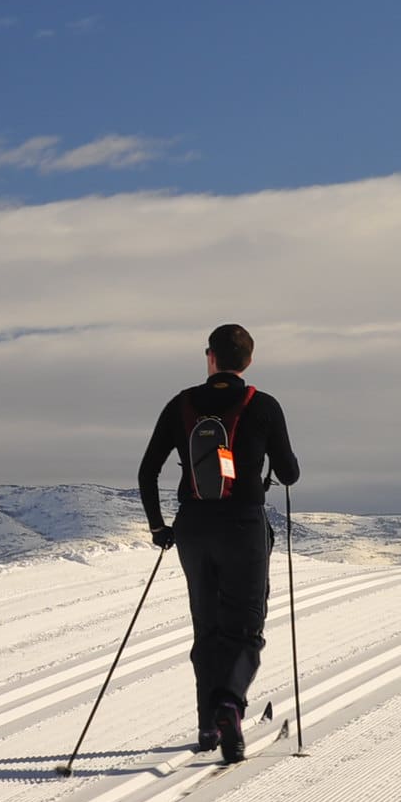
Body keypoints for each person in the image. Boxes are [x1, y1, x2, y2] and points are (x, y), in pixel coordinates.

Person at [137, 324, 300, 762]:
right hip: (243, 526)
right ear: (248, 361)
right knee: (245, 629)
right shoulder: (263, 406)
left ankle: (208, 727)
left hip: (193, 527)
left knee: (205, 627)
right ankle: (230, 703)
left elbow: (147, 472)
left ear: (209, 357)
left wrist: (159, 528)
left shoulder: (181, 404)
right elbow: (288, 473)